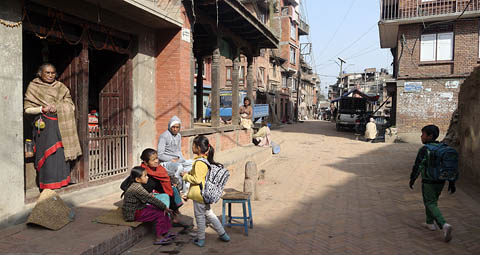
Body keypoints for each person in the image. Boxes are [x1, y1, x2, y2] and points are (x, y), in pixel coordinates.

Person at [24, 63, 82, 190]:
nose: (51, 75)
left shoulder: (61, 87)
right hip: (43, 127)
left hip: (61, 125)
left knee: (60, 153)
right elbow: (27, 109)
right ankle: (47, 184)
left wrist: (58, 107)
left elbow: (70, 105)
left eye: (53, 73)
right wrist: (42, 109)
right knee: (47, 154)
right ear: (40, 73)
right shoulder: (34, 87)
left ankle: (61, 182)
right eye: (47, 72)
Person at [181, 135, 230, 247]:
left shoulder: (199, 163)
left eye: (193, 145)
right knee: (210, 215)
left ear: (198, 148)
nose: (192, 147)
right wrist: (188, 194)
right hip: (205, 194)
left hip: (199, 195)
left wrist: (185, 176)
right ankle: (223, 234)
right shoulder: (205, 161)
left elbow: (197, 179)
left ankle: (201, 239)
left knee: (200, 218)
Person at [409, 125, 455, 242]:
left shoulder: (425, 149)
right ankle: (430, 223)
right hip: (441, 181)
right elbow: (450, 167)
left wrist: (412, 179)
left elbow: (417, 166)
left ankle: (444, 225)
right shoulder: (443, 147)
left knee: (429, 202)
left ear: (430, 136)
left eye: (423, 134)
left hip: (428, 181)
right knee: (433, 201)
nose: (421, 136)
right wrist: (452, 182)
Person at [122, 166, 176, 245]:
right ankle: (159, 237)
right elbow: (151, 199)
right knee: (160, 213)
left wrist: (163, 207)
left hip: (138, 208)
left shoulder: (137, 185)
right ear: (137, 179)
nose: (147, 178)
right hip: (133, 213)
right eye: (145, 176)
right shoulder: (136, 188)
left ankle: (164, 232)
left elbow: (148, 198)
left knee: (160, 209)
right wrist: (165, 207)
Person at [139, 148, 184, 223]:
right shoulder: (142, 172)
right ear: (146, 162)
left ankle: (175, 211)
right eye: (153, 160)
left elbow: (165, 180)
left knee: (173, 189)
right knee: (168, 194)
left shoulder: (159, 168)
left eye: (156, 158)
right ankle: (170, 214)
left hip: (159, 189)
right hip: (150, 193)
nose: (156, 161)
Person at [157, 116, 193, 196]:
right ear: (170, 126)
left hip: (178, 160)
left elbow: (178, 151)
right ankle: (178, 189)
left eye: (177, 127)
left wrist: (182, 159)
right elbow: (159, 155)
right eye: (173, 127)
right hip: (166, 162)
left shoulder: (179, 136)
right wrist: (171, 159)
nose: (175, 129)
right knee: (179, 167)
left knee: (193, 164)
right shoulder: (164, 136)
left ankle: (186, 188)